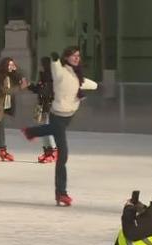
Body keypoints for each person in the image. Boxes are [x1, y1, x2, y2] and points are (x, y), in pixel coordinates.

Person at [22, 46, 97, 206]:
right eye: (73, 56)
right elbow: (55, 68)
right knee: (63, 156)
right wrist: (55, 59)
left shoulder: (76, 74)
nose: (77, 58)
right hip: (58, 114)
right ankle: (61, 193)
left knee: (53, 132)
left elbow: (89, 84)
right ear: (66, 57)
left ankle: (31, 132)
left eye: (78, 55)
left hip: (69, 116)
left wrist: (90, 86)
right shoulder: (60, 71)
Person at [0, 57, 28, 162]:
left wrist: (16, 70)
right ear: (4, 65)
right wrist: (19, 87)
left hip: (1, 107)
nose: (11, 67)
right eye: (9, 65)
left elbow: (21, 77)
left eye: (13, 65)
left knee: (1, 130)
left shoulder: (9, 76)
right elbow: (4, 91)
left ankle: (3, 152)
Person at [28, 56, 57, 163]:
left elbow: (45, 91)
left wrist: (36, 88)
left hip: (50, 106)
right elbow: (38, 90)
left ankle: (53, 151)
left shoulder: (52, 77)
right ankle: (47, 151)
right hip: (42, 105)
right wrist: (29, 86)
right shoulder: (43, 76)